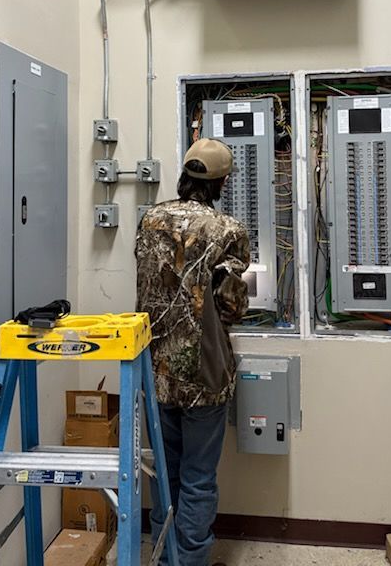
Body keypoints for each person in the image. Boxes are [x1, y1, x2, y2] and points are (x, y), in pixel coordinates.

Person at [136, 138, 250, 566]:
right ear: (220, 182)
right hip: (204, 374)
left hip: (154, 367)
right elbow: (231, 306)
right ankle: (190, 561)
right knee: (199, 478)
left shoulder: (150, 220)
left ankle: (166, 558)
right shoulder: (228, 231)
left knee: (166, 474)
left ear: (185, 174)